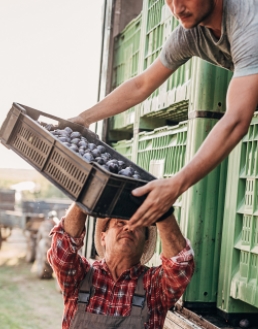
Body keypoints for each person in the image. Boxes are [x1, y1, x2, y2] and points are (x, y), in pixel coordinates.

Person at [69, 0, 258, 229]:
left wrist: (177, 183)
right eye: (169, 0)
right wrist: (84, 118)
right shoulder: (190, 35)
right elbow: (142, 85)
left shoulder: (248, 22)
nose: (177, 9)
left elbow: (237, 118)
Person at [47, 203, 194, 329]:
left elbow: (180, 265)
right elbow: (62, 251)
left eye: (137, 225)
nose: (129, 228)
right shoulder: (82, 276)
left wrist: (163, 210)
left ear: (145, 242)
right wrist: (87, 198)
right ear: (103, 237)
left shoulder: (154, 285)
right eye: (120, 223)